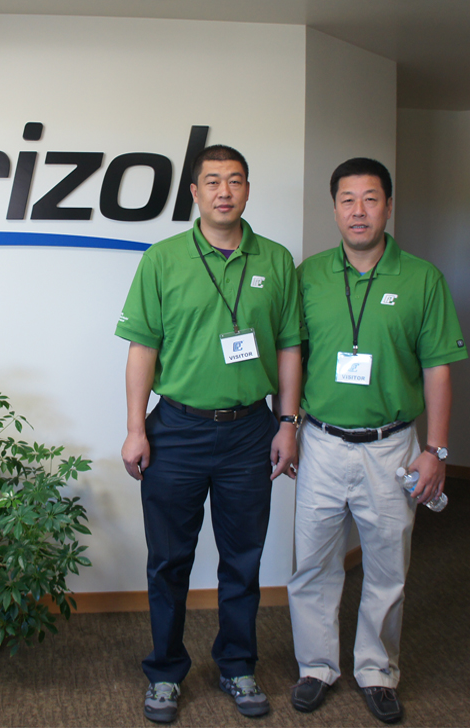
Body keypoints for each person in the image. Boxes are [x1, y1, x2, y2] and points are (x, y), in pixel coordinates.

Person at [116, 144, 301, 723]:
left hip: (251, 431)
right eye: (213, 181)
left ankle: (237, 665)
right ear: (194, 192)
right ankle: (165, 672)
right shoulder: (163, 259)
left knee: (243, 559)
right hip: (176, 431)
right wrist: (135, 429)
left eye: (235, 180)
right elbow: (142, 348)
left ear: (247, 190)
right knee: (169, 561)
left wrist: (288, 421)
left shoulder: (276, 259)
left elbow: (290, 346)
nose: (225, 191)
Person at [287, 157, 467, 724]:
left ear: (388, 206)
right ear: (334, 208)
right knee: (312, 564)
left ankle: (377, 670)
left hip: (393, 446)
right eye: (347, 199)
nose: (358, 210)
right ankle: (316, 666)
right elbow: (291, 355)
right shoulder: (309, 275)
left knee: (388, 568)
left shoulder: (422, 278)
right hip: (321, 441)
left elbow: (438, 368)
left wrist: (436, 450)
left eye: (370, 198)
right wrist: (287, 424)